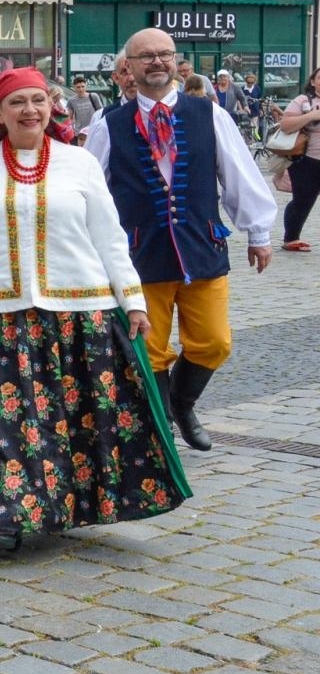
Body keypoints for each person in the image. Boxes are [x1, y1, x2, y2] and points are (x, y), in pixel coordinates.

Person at [0, 67, 189, 552]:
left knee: (74, 417)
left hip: (79, 311)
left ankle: (68, 504)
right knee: (0, 421)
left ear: (52, 108)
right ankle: (7, 515)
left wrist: (132, 298)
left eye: (37, 100)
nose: (29, 110)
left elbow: (109, 237)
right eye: (17, 102)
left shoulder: (79, 163)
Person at [84, 29, 275, 454]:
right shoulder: (108, 125)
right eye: (145, 56)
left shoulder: (210, 115)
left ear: (175, 61)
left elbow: (238, 174)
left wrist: (258, 232)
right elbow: (89, 190)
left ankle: (182, 402)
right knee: (147, 351)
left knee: (214, 341)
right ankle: (162, 422)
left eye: (164, 55)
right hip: (140, 256)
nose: (156, 62)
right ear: (128, 68)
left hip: (201, 248)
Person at [277, 67, 320, 251]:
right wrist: (311, 116)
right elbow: (285, 125)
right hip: (307, 160)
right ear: (312, 81)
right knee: (303, 200)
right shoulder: (303, 101)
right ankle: (291, 238)